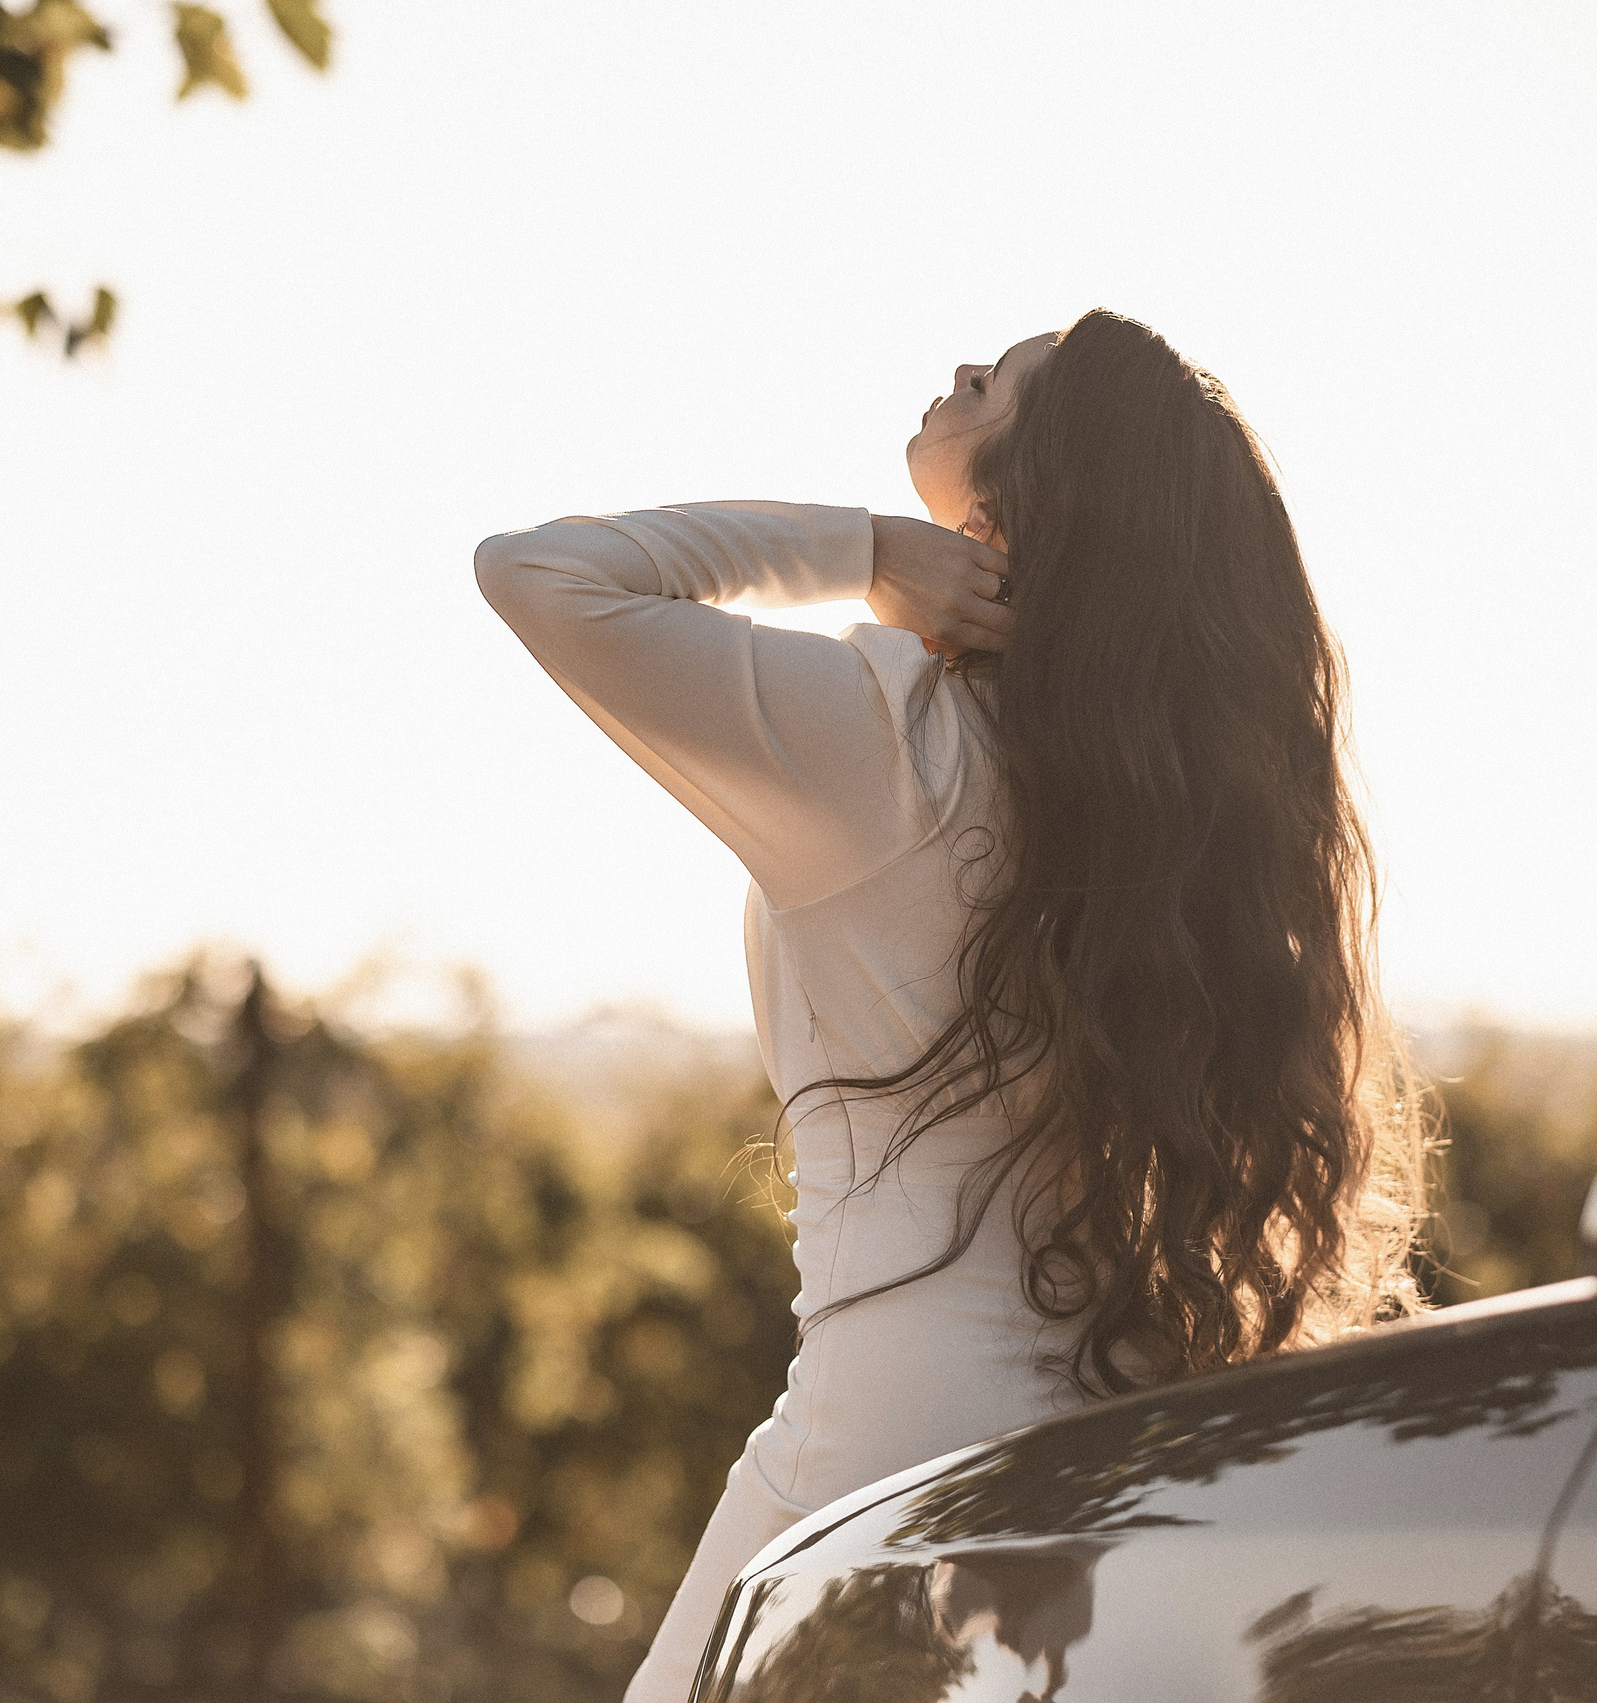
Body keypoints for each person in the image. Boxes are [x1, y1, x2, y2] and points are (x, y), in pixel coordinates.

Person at [475, 308, 1425, 1702]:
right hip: (1139, 1417)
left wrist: (862, 553)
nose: (967, 370)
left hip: (891, 1426)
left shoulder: (888, 733)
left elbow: (543, 574)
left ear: (1039, 493)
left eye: (1007, 384)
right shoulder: (1176, 805)